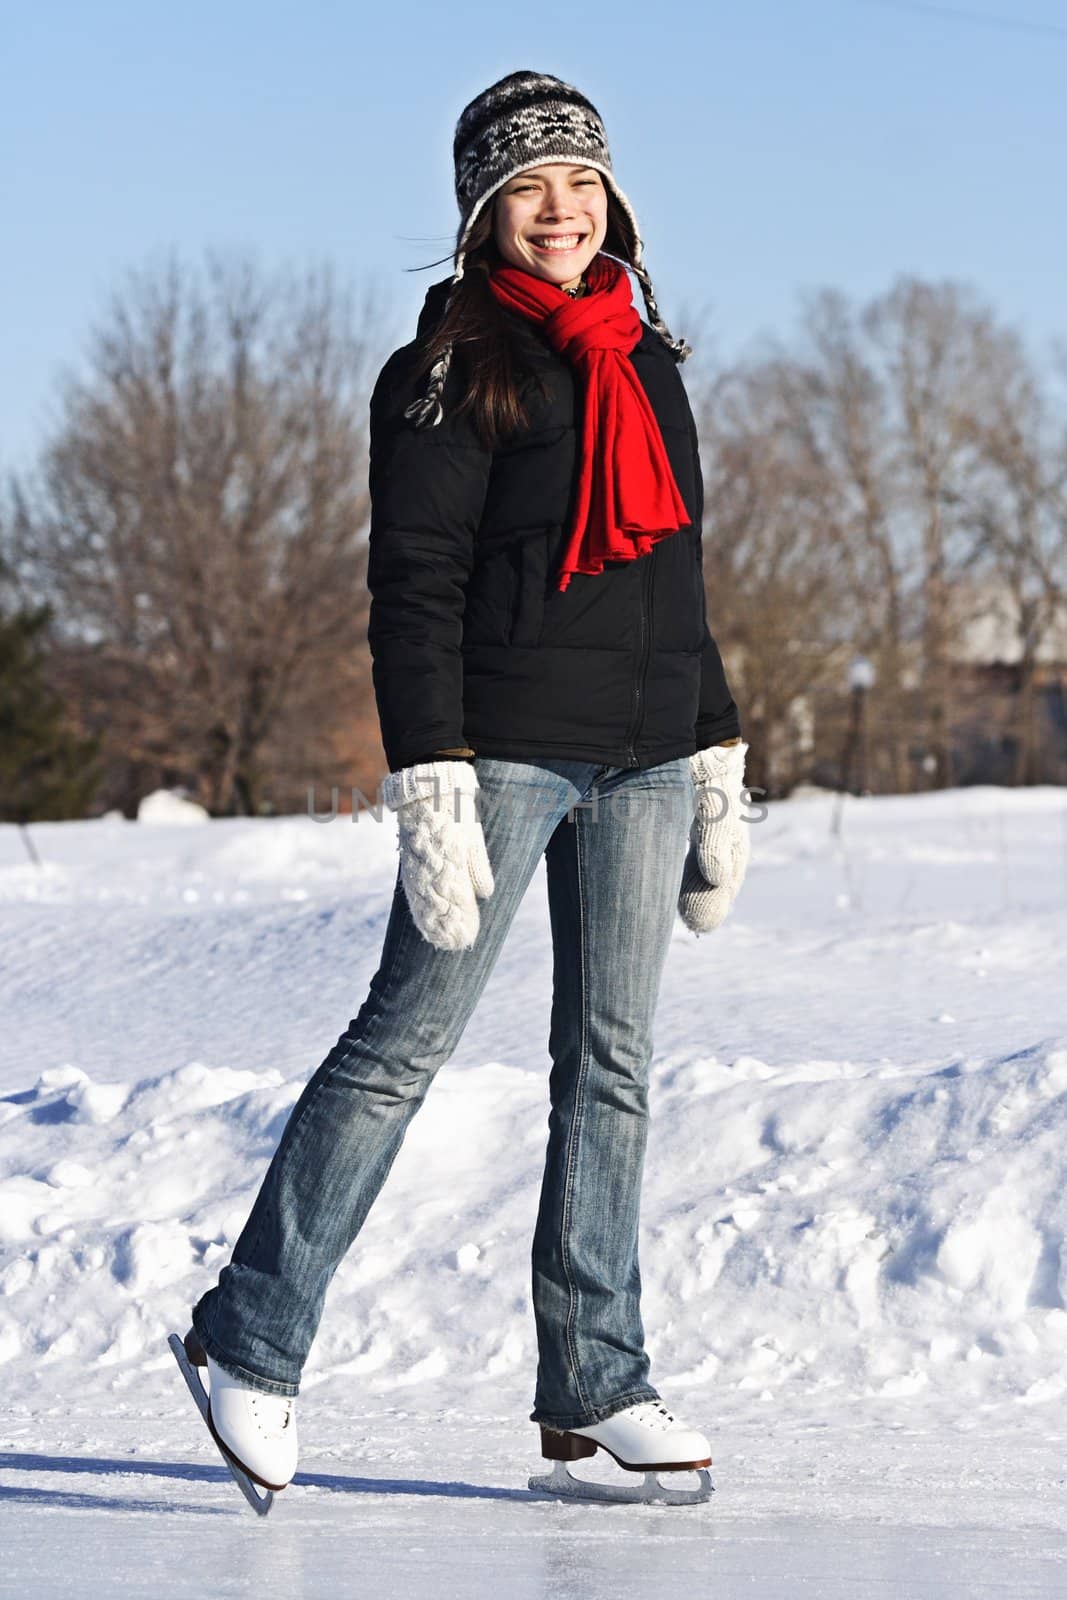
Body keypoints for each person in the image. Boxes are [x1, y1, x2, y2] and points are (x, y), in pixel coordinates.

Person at [181, 68, 751, 1504]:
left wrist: (719, 749)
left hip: (646, 759)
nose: (558, 210)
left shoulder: (651, 356)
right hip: (501, 753)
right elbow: (413, 588)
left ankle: (596, 1378)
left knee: (610, 1073)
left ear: (609, 195)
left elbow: (681, 577)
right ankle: (248, 1339)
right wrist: (429, 776)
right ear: (483, 210)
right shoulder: (450, 371)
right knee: (400, 1049)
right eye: (526, 187)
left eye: (579, 182)